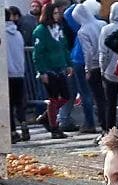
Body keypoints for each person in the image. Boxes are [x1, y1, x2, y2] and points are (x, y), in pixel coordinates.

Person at [32, 2, 72, 139]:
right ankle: (54, 127)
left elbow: (64, 47)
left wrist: (68, 64)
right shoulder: (40, 31)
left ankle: (46, 117)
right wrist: (41, 71)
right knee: (53, 98)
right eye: (55, 13)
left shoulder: (58, 28)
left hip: (60, 67)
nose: (58, 15)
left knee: (66, 96)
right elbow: (38, 53)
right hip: (49, 69)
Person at [61, 1, 98, 134]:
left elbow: (68, 14)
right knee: (95, 93)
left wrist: (76, 4)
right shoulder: (100, 23)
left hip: (80, 61)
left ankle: (89, 123)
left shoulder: (81, 28)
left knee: (84, 93)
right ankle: (95, 121)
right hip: (95, 62)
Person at [73, 0, 107, 135]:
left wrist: (87, 69)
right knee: (106, 95)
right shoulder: (102, 24)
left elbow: (87, 51)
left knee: (95, 96)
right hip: (105, 62)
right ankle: (109, 122)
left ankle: (102, 124)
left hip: (93, 65)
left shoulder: (82, 31)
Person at [98, 2, 118, 133]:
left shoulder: (106, 29)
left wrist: (102, 69)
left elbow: (103, 52)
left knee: (110, 102)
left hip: (110, 71)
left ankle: (109, 129)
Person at [6, 7, 28, 141]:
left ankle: (12, 131)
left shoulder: (3, 33)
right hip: (19, 71)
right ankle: (24, 125)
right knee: (19, 102)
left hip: (6, 73)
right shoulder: (17, 33)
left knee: (7, 104)